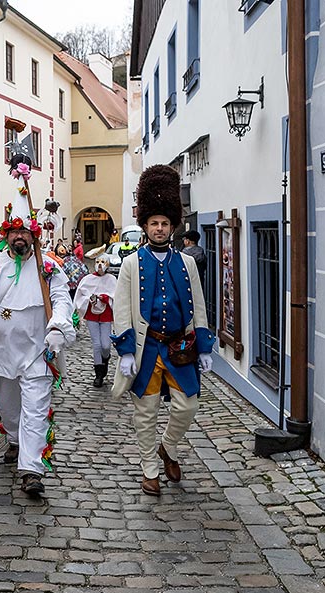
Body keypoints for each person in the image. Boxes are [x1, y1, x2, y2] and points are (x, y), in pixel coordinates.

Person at [0, 154, 75, 497]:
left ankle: (31, 470)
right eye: (14, 232)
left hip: (36, 354)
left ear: (33, 235)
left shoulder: (49, 267)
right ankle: (12, 439)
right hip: (1, 355)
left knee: (35, 412)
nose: (19, 238)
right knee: (10, 409)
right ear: (7, 234)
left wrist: (57, 326)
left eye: (24, 232)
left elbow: (62, 301)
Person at [111, 164, 215, 496]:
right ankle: (149, 470)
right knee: (146, 412)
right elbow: (122, 311)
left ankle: (167, 448)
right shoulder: (131, 263)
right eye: (154, 223)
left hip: (179, 347)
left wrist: (205, 344)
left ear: (172, 227)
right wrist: (126, 351)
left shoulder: (185, 262)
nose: (159, 228)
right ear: (145, 226)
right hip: (147, 348)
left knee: (188, 405)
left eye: (164, 223)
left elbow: (198, 305)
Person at [73, 256, 117, 387]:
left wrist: (107, 298)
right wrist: (89, 299)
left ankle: (105, 358)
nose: (99, 265)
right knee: (96, 344)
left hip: (106, 316)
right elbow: (81, 295)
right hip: (92, 315)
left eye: (102, 262)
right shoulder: (88, 279)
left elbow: (116, 295)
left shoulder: (112, 280)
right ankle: (98, 374)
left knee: (105, 345)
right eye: (97, 262)